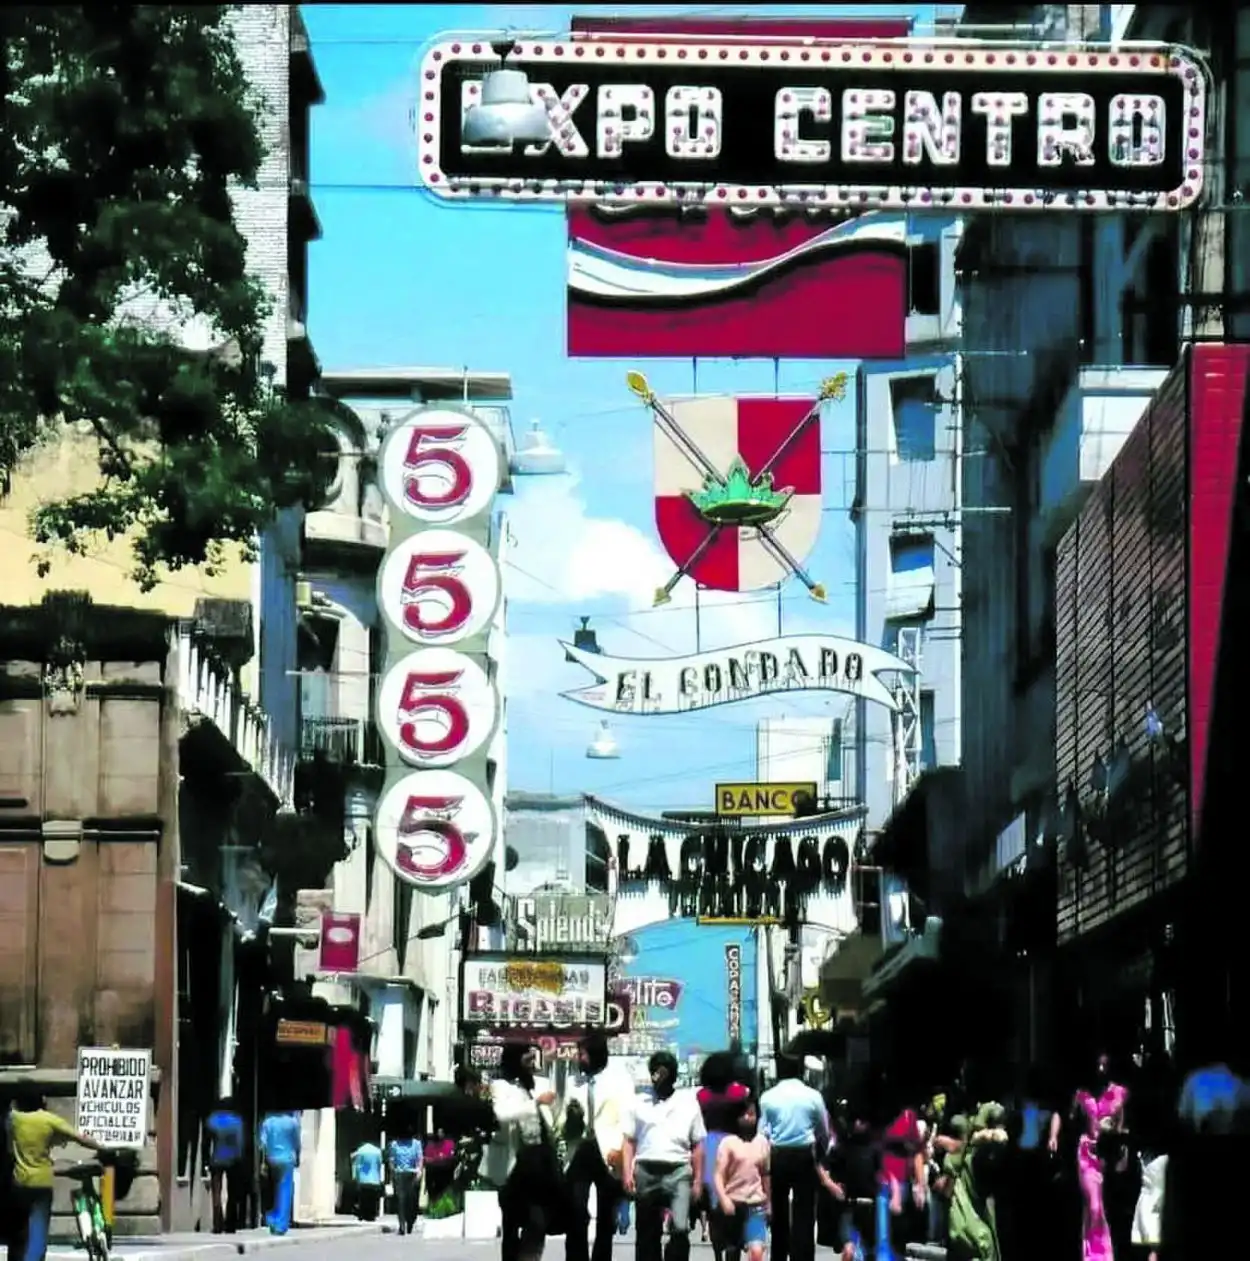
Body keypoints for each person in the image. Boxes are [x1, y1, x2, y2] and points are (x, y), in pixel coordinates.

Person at [622, 1051, 706, 1261]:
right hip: (646, 1170)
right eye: (655, 1072)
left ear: (673, 1075)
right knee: (646, 1232)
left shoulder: (688, 1103)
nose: (658, 1077)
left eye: (663, 1072)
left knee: (679, 1228)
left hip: (678, 1171)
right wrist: (626, 1174)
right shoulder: (638, 1102)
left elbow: (698, 1145)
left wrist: (698, 1180)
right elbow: (629, 1141)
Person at [7, 1089, 109, 1261]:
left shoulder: (13, 1120)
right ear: (41, 1101)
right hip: (41, 1183)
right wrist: (102, 1147)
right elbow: (80, 1137)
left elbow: (9, 1145)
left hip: (19, 1184)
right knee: (38, 1232)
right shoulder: (48, 1119)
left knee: (18, 1231)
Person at [562, 1031, 634, 1261]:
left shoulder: (619, 1080)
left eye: (582, 1054)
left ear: (595, 1055)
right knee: (575, 1211)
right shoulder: (572, 1082)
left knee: (606, 1216)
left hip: (608, 1151)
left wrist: (622, 1151)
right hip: (579, 1149)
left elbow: (628, 1118)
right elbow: (560, 1116)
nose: (578, 1058)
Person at [487, 1043, 563, 1261]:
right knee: (511, 1223)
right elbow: (502, 1114)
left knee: (538, 1221)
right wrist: (535, 1103)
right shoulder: (501, 1086)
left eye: (533, 1060)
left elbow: (548, 1119)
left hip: (538, 1162)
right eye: (527, 1060)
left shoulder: (535, 1084)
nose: (532, 1065)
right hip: (513, 1164)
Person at [758, 1052, 830, 1261]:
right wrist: (821, 1152)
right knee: (804, 1211)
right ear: (801, 1071)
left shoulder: (768, 1097)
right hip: (804, 1154)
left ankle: (779, 1254)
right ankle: (803, 1256)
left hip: (778, 1154)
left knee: (779, 1211)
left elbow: (763, 1132)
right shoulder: (812, 1096)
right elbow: (823, 1129)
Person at [1070, 1051, 1129, 1261]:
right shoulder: (1081, 1095)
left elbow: (1124, 1126)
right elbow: (1072, 1122)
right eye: (1097, 1066)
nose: (1101, 1070)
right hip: (1088, 1154)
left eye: (1104, 1066)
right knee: (1094, 1204)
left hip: (1111, 1154)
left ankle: (1103, 1249)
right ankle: (1096, 1256)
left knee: (1109, 1207)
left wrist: (1115, 1135)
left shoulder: (1121, 1093)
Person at [697, 1052, 751, 1258]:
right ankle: (734, 1242)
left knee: (713, 1199)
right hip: (734, 1144)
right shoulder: (738, 1093)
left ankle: (718, 1247)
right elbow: (747, 1094)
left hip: (709, 1144)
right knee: (735, 1191)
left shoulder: (702, 1096)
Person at [819, 1100, 880, 1261]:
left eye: (863, 1120)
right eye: (855, 1120)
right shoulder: (842, 1148)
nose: (859, 1123)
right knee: (849, 1251)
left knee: (871, 1254)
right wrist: (830, 1185)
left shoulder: (877, 1149)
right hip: (849, 1207)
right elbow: (822, 1167)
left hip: (872, 1209)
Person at [713, 1099, 770, 1261]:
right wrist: (724, 1199)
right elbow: (718, 1175)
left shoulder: (762, 1142)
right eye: (743, 1114)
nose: (747, 1118)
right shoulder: (728, 1143)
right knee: (732, 1252)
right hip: (733, 1205)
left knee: (757, 1252)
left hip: (756, 1205)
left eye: (751, 1114)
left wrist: (769, 1202)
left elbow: (765, 1174)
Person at [204, 1097, 246, 1234]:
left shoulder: (213, 1119)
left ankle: (217, 1224)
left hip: (216, 1159)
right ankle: (231, 1224)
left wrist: (206, 1159)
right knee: (232, 1193)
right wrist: (240, 1158)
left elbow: (206, 1141)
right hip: (233, 1160)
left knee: (216, 1193)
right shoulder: (237, 1121)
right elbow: (240, 1142)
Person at [257, 1110, 301, 1235]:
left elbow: (262, 1145)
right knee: (285, 1191)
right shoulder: (292, 1122)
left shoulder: (268, 1122)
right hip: (287, 1160)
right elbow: (297, 1143)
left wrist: (263, 1162)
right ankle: (280, 1225)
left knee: (272, 1189)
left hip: (272, 1159)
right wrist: (298, 1156)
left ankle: (271, 1218)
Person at [388, 1127, 423, 1235]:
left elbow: (419, 1159)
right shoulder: (394, 1144)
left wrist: (419, 1171)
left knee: (411, 1200)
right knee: (400, 1201)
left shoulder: (416, 1144)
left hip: (412, 1174)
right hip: (399, 1174)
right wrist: (393, 1173)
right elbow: (391, 1160)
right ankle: (402, 1225)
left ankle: (410, 1222)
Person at [350, 1138, 384, 1222]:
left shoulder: (360, 1151)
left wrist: (356, 1177)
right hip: (375, 1179)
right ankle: (371, 1215)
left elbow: (358, 1166)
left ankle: (363, 1214)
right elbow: (379, 1164)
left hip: (363, 1179)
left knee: (363, 1198)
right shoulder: (377, 1151)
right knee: (373, 1198)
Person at [423, 1127, 458, 1204]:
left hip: (446, 1170)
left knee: (445, 1188)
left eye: (441, 1132)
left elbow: (452, 1156)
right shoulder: (430, 1145)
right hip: (433, 1171)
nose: (439, 1134)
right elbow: (427, 1158)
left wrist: (442, 1158)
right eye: (438, 1132)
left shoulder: (449, 1143)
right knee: (433, 1189)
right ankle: (433, 1203)